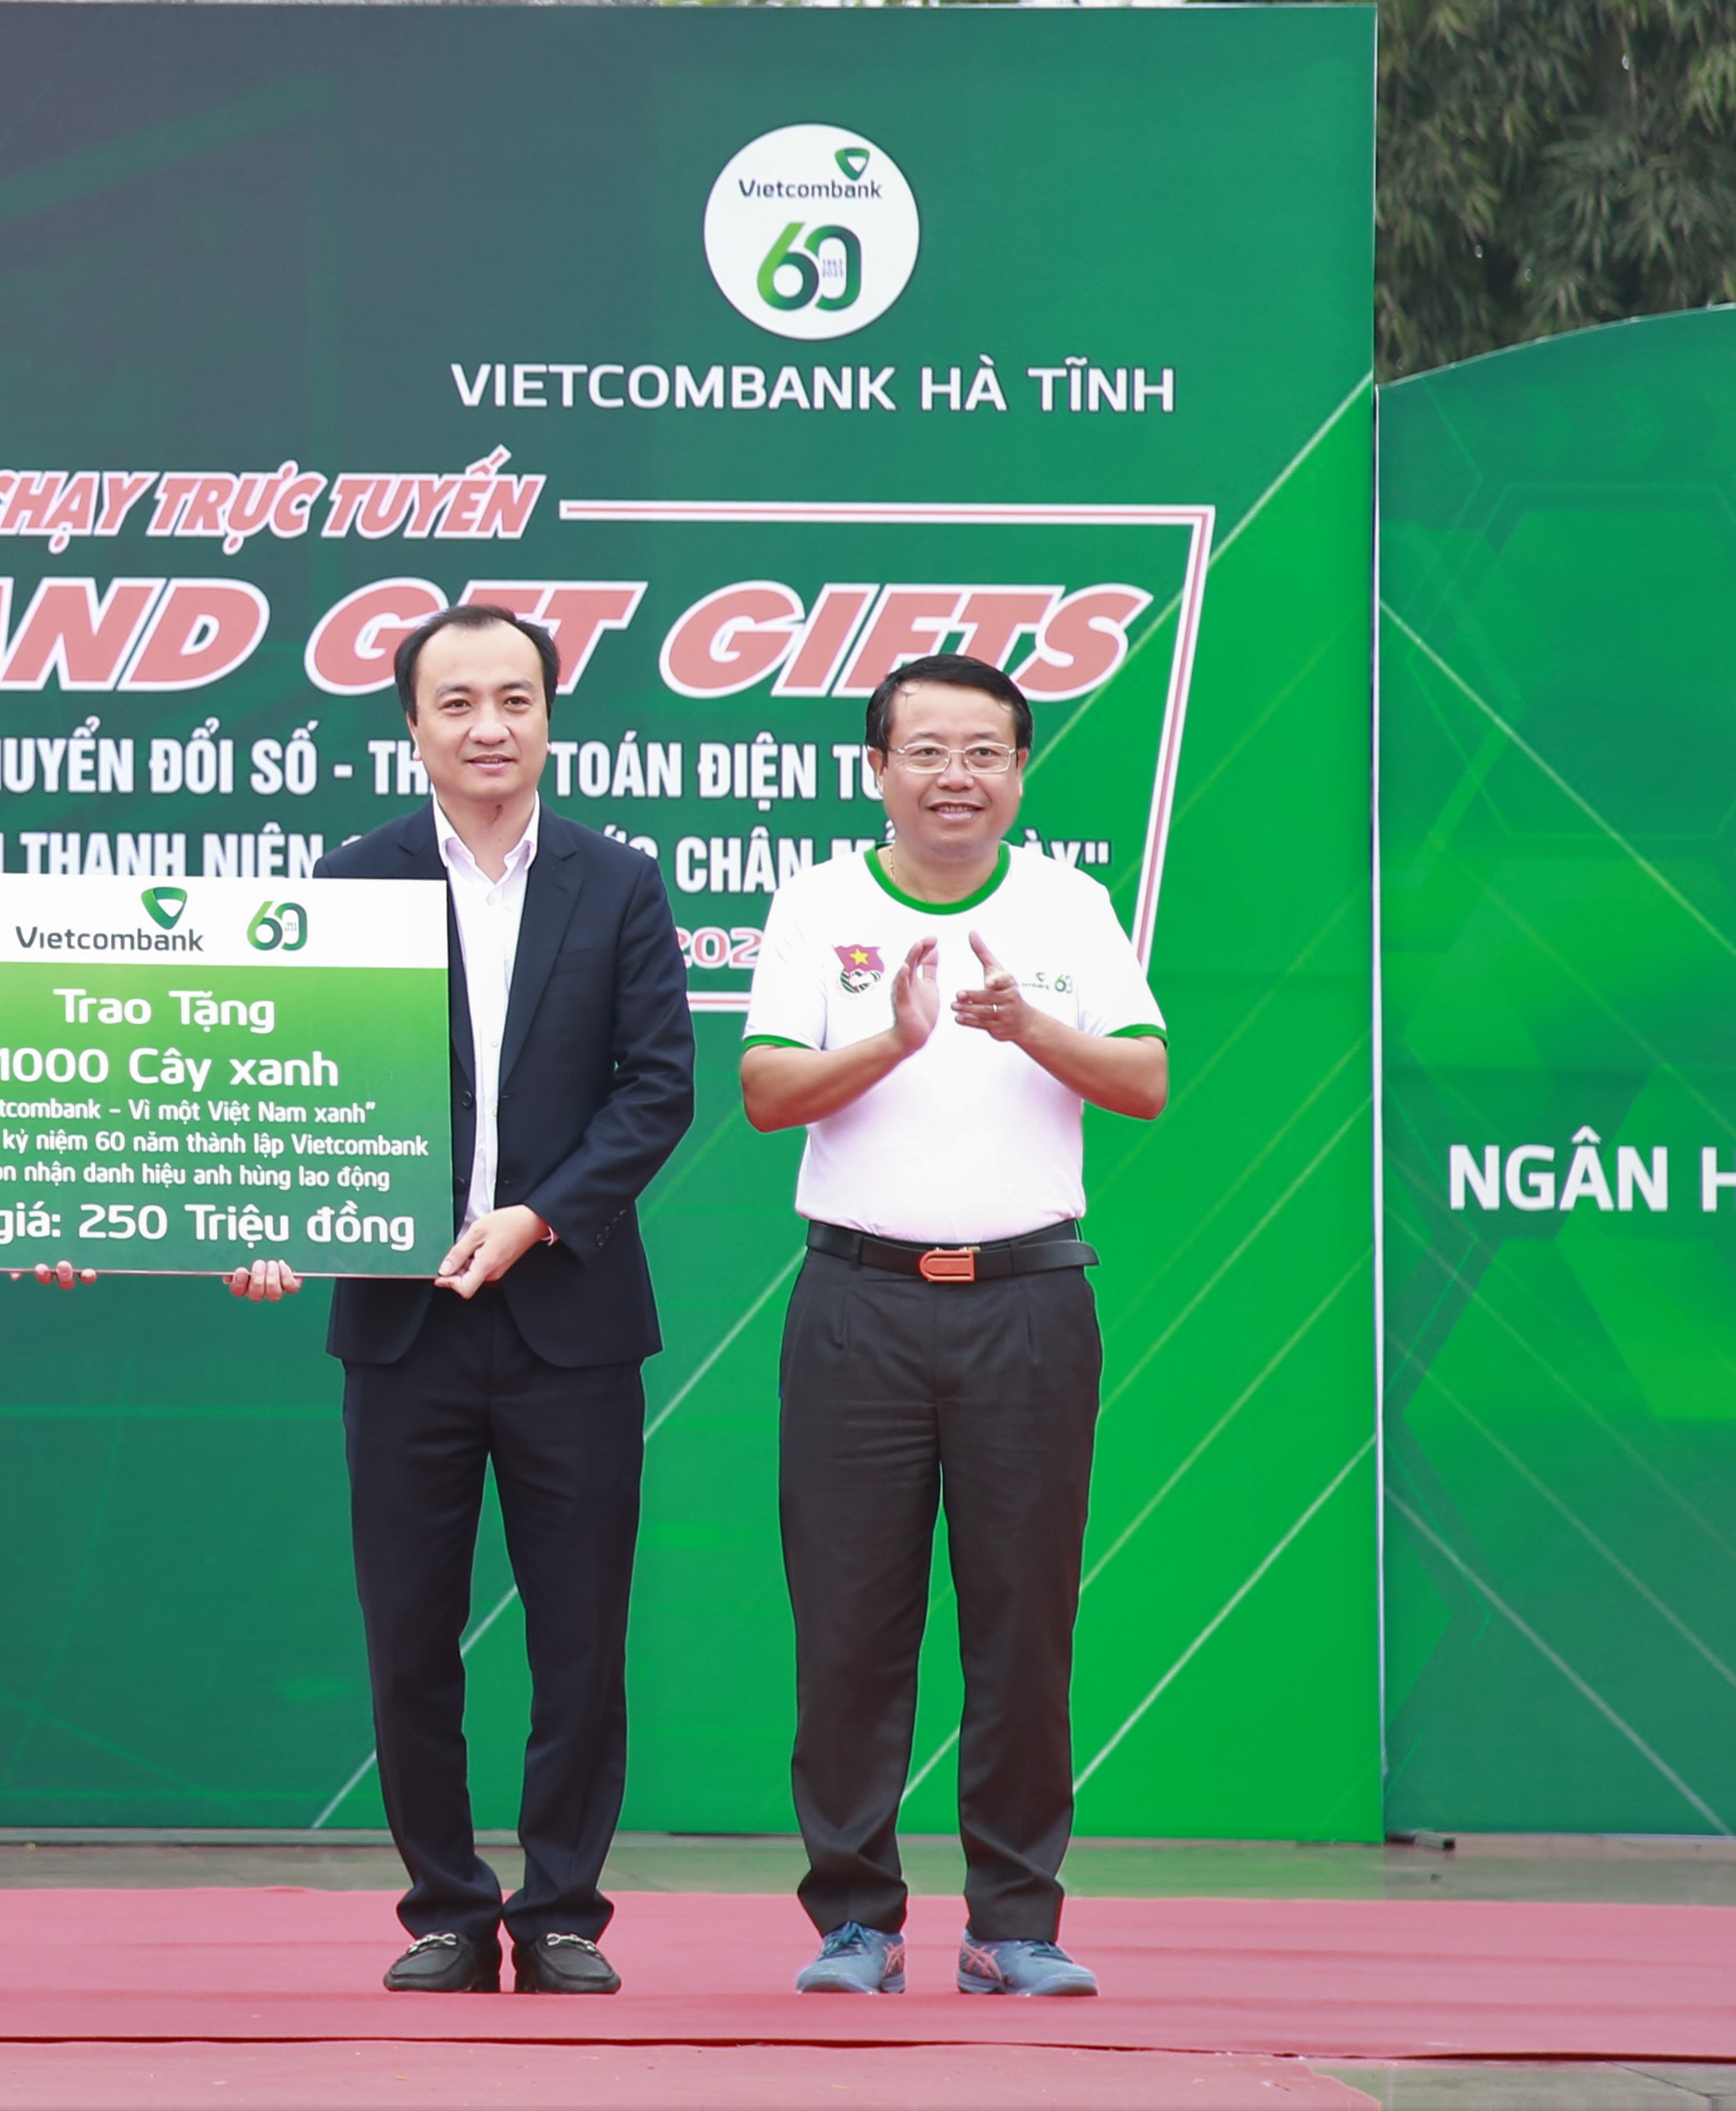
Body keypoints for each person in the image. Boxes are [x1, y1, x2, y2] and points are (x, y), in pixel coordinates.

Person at [229, 602, 696, 1994]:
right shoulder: (348, 882)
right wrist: (272, 1223)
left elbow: (658, 1087)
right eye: (457, 704)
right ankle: (443, 1906)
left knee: (580, 1637)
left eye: (515, 700)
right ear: (412, 727)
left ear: (549, 716)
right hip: (402, 1320)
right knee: (409, 1635)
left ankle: (560, 1913)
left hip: (572, 1321)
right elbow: (289, 1080)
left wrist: (538, 1216)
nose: (489, 727)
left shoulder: (618, 883)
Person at [741, 650, 1169, 2001]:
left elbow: (1145, 1080)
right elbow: (766, 1094)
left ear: (1021, 771)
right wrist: (895, 1039)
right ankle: (855, 1923)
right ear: (877, 768)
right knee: (848, 1627)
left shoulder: (1068, 905)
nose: (955, 777)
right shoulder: (818, 902)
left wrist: (1027, 1024)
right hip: (857, 1305)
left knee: (1022, 1627)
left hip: (1028, 1306)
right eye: (925, 751)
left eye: (984, 752)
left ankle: (1013, 1923)